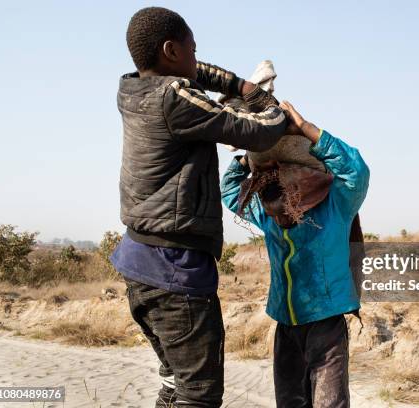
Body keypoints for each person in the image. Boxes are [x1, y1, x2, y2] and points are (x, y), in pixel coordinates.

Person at [110, 7, 288, 408]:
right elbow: (256, 132)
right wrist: (271, 106)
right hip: (176, 270)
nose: (197, 58)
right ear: (171, 51)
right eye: (192, 49)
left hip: (139, 262)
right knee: (199, 395)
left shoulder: (133, 89)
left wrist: (243, 86)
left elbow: (196, 73)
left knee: (176, 384)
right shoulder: (175, 98)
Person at [221, 101, 370, 408]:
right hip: (286, 326)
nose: (280, 190)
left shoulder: (335, 206)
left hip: (326, 325)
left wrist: (307, 130)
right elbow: (229, 191)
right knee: (289, 402)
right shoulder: (268, 215)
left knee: (329, 403)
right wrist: (246, 155)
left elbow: (357, 172)